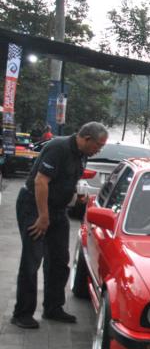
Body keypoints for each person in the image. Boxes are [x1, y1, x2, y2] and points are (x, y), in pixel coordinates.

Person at [11, 121, 108, 329]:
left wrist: (75, 197)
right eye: (98, 146)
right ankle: (22, 313)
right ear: (87, 138)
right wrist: (43, 217)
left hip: (57, 211)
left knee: (59, 260)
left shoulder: (82, 154)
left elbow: (64, 181)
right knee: (32, 260)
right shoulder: (58, 147)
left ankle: (53, 307)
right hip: (35, 207)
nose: (98, 150)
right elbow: (41, 182)